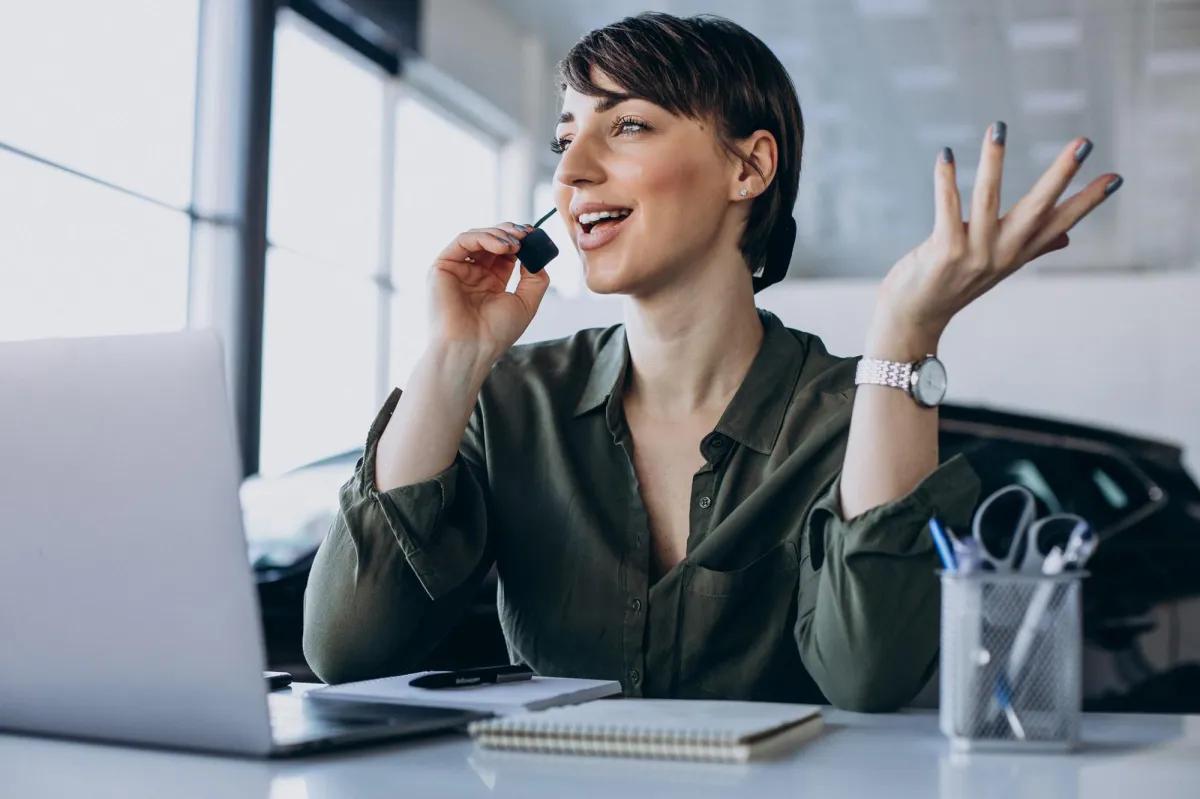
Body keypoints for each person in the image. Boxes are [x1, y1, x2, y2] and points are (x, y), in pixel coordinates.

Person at [302, 12, 1123, 712]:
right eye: (565, 137)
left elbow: (869, 674)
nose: (570, 171)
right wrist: (455, 353)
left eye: (625, 126)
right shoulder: (513, 398)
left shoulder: (850, 410)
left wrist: (904, 334)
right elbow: (346, 649)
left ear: (749, 166)